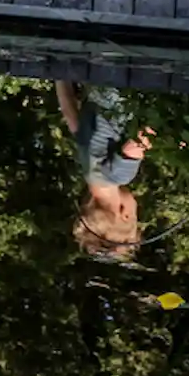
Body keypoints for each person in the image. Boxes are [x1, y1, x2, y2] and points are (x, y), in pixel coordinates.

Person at [57, 80, 148, 257]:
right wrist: (61, 76)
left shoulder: (118, 176)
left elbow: (141, 139)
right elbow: (70, 115)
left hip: (121, 89)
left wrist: (174, 141)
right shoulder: (88, 169)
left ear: (125, 215)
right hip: (96, 82)